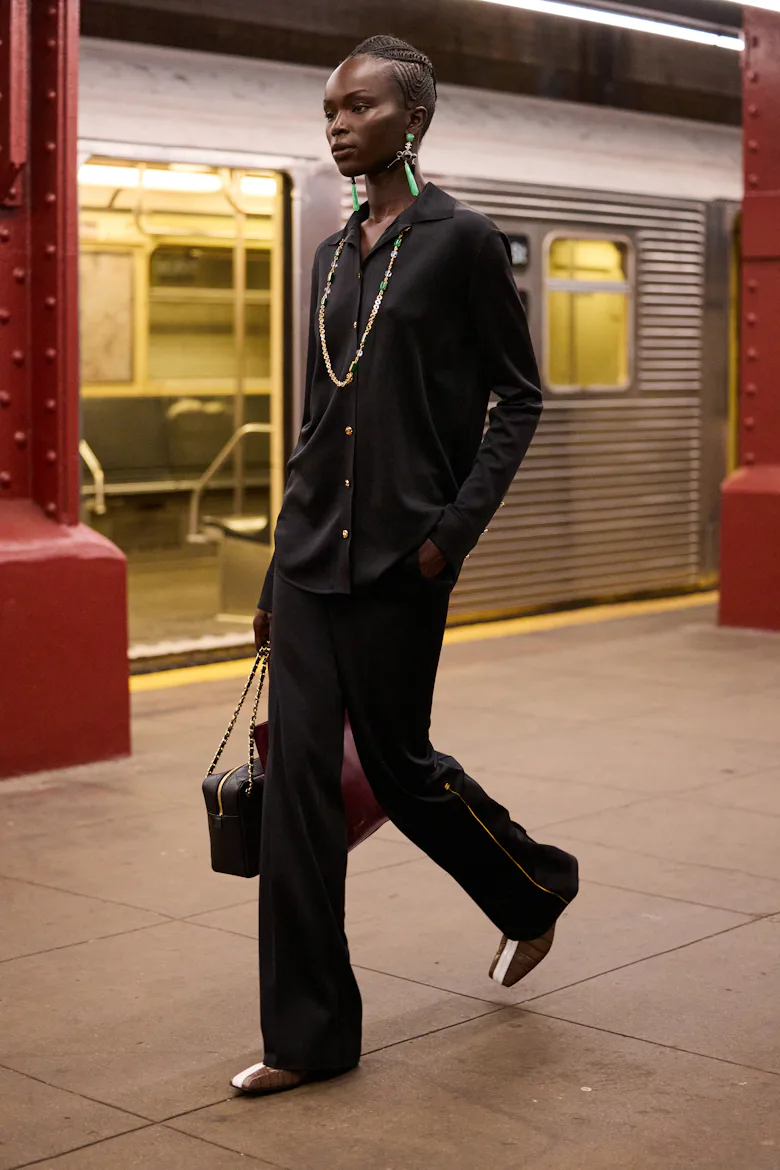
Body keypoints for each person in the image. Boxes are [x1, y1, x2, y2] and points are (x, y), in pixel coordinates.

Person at [231, 34, 579, 1097]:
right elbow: (314, 418)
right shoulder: (333, 254)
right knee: (295, 789)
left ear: (411, 119)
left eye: (358, 107)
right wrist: (269, 571)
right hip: (308, 561)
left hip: (399, 563)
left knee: (396, 769)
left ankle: (534, 884)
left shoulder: (462, 241)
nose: (337, 123)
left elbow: (519, 398)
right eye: (329, 109)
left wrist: (447, 537)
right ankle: (308, 1038)